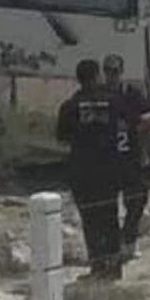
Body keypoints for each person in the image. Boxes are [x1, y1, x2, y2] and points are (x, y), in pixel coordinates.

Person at [56, 59, 122, 281]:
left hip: (83, 170)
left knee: (90, 219)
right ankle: (114, 267)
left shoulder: (69, 106)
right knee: (110, 217)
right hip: (109, 169)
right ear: (97, 76)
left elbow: (62, 138)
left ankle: (98, 266)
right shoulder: (113, 102)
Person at [102, 54, 150, 262]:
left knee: (136, 200)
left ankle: (128, 239)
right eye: (108, 71)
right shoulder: (100, 97)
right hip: (108, 159)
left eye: (115, 71)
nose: (112, 76)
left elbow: (149, 114)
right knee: (107, 205)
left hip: (131, 155)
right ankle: (111, 245)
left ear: (121, 72)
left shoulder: (131, 94)